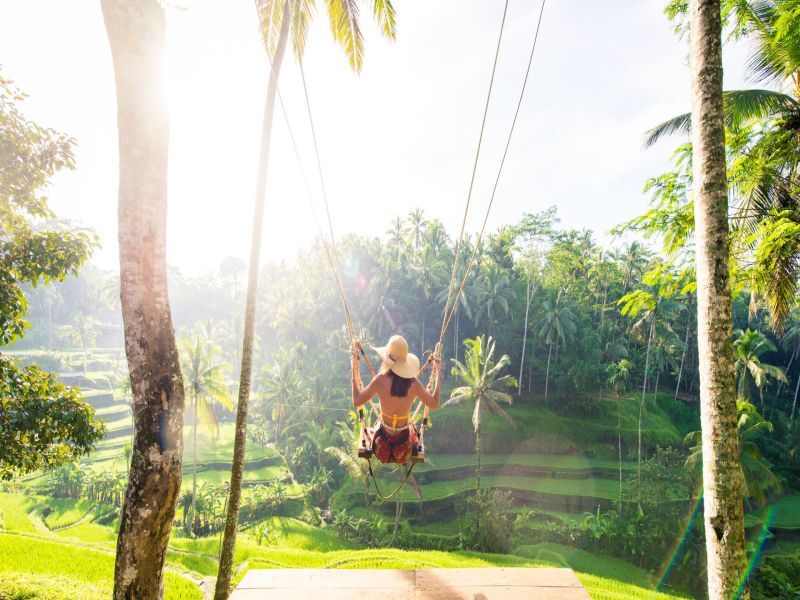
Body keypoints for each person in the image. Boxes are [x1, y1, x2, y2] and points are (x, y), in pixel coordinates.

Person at [352, 334, 441, 464]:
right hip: (404, 450)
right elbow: (435, 403)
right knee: (412, 429)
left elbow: (357, 400)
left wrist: (354, 372)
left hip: (381, 447)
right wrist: (438, 371)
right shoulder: (413, 384)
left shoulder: (380, 380)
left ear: (387, 360)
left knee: (377, 425)